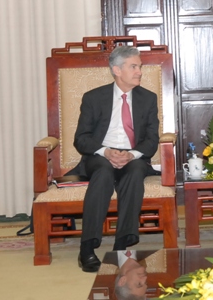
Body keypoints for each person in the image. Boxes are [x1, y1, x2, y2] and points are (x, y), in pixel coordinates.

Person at [68, 45, 160, 272]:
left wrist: (131, 154)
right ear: (117, 70)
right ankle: (87, 247)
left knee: (136, 171)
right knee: (103, 172)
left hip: (133, 155)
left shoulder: (148, 98)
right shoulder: (94, 98)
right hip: (100, 155)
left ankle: (122, 245)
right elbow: (81, 138)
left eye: (140, 67)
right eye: (134, 67)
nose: (139, 71)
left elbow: (151, 140)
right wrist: (105, 151)